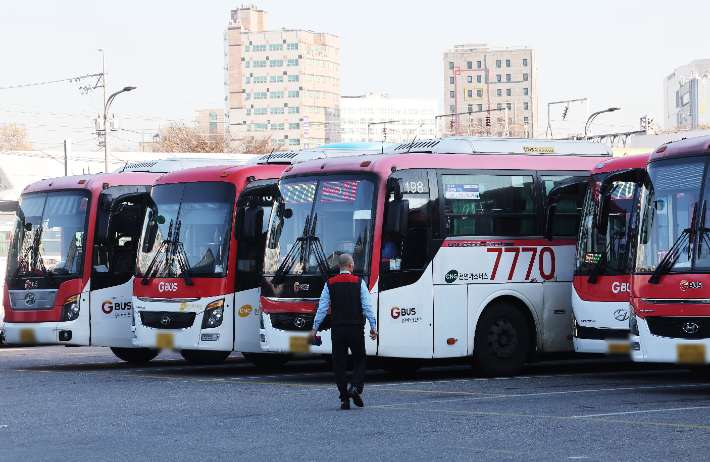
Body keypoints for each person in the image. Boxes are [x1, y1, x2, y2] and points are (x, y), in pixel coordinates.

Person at [309, 253, 377, 410]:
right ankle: (355, 388)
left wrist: (315, 329)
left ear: (338, 266)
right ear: (351, 265)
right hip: (355, 327)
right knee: (360, 359)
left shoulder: (329, 283)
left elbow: (322, 308)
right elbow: (367, 307)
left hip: (338, 328)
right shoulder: (359, 282)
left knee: (339, 364)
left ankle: (343, 399)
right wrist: (373, 325)